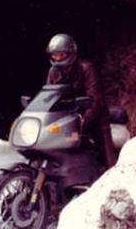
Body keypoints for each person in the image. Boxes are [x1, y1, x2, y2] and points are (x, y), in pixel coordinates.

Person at [46, 33, 116, 168]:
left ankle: (113, 176)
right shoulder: (53, 72)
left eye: (61, 54)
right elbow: (49, 96)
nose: (57, 58)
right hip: (68, 120)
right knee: (57, 148)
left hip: (94, 118)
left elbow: (95, 100)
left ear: (71, 52)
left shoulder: (86, 68)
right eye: (55, 54)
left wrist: (83, 121)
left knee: (107, 158)